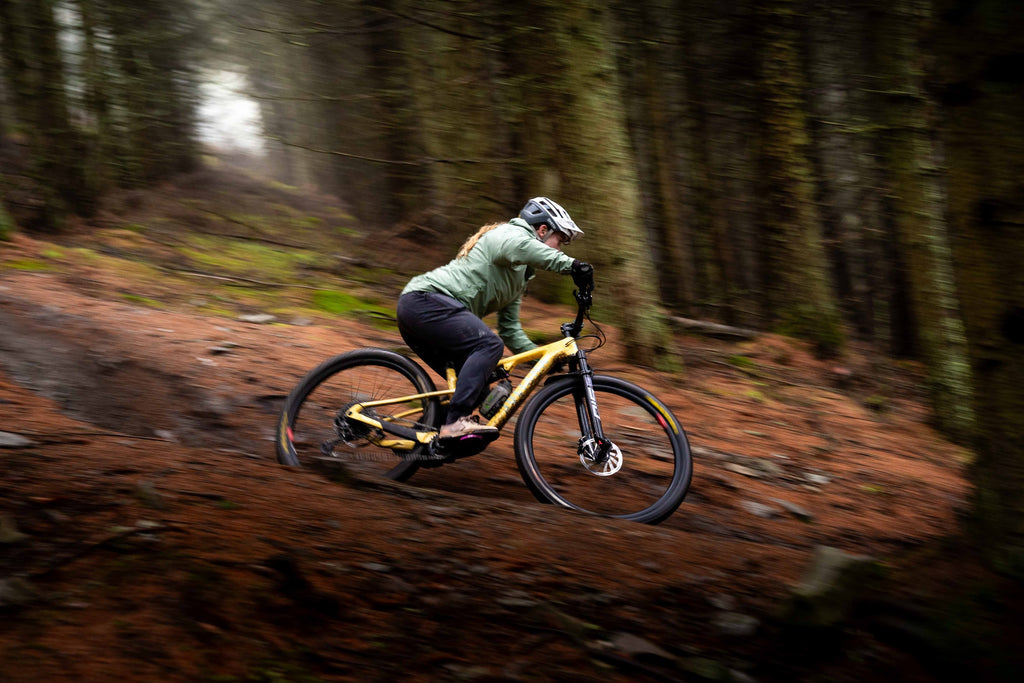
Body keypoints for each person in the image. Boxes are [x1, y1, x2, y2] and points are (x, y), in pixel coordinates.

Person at [396, 197, 595, 441]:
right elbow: (526, 248)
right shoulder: (508, 235)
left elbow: (510, 330)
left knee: (479, 390)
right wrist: (571, 266)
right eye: (560, 241)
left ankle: (420, 439)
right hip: (425, 302)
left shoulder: (518, 276)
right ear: (543, 230)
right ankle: (455, 424)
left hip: (430, 315)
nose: (560, 249)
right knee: (488, 345)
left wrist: (543, 360)